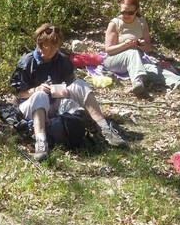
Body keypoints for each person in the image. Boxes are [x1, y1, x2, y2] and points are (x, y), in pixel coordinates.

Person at [10, 23, 128, 161]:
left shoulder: (62, 60)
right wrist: (37, 89)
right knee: (40, 95)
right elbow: (19, 94)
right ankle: (41, 142)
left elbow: (68, 84)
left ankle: (104, 129)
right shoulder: (27, 62)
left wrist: (64, 91)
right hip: (31, 107)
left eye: (56, 45)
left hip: (55, 102)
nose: (54, 49)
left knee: (80, 85)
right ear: (40, 43)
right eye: (50, 45)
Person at [102, 0, 180, 95]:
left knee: (153, 70)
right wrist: (125, 45)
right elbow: (109, 50)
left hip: (136, 61)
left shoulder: (142, 22)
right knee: (133, 52)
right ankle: (137, 80)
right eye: (123, 12)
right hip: (114, 60)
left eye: (130, 13)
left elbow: (148, 48)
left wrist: (141, 45)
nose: (126, 15)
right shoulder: (115, 24)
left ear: (136, 11)